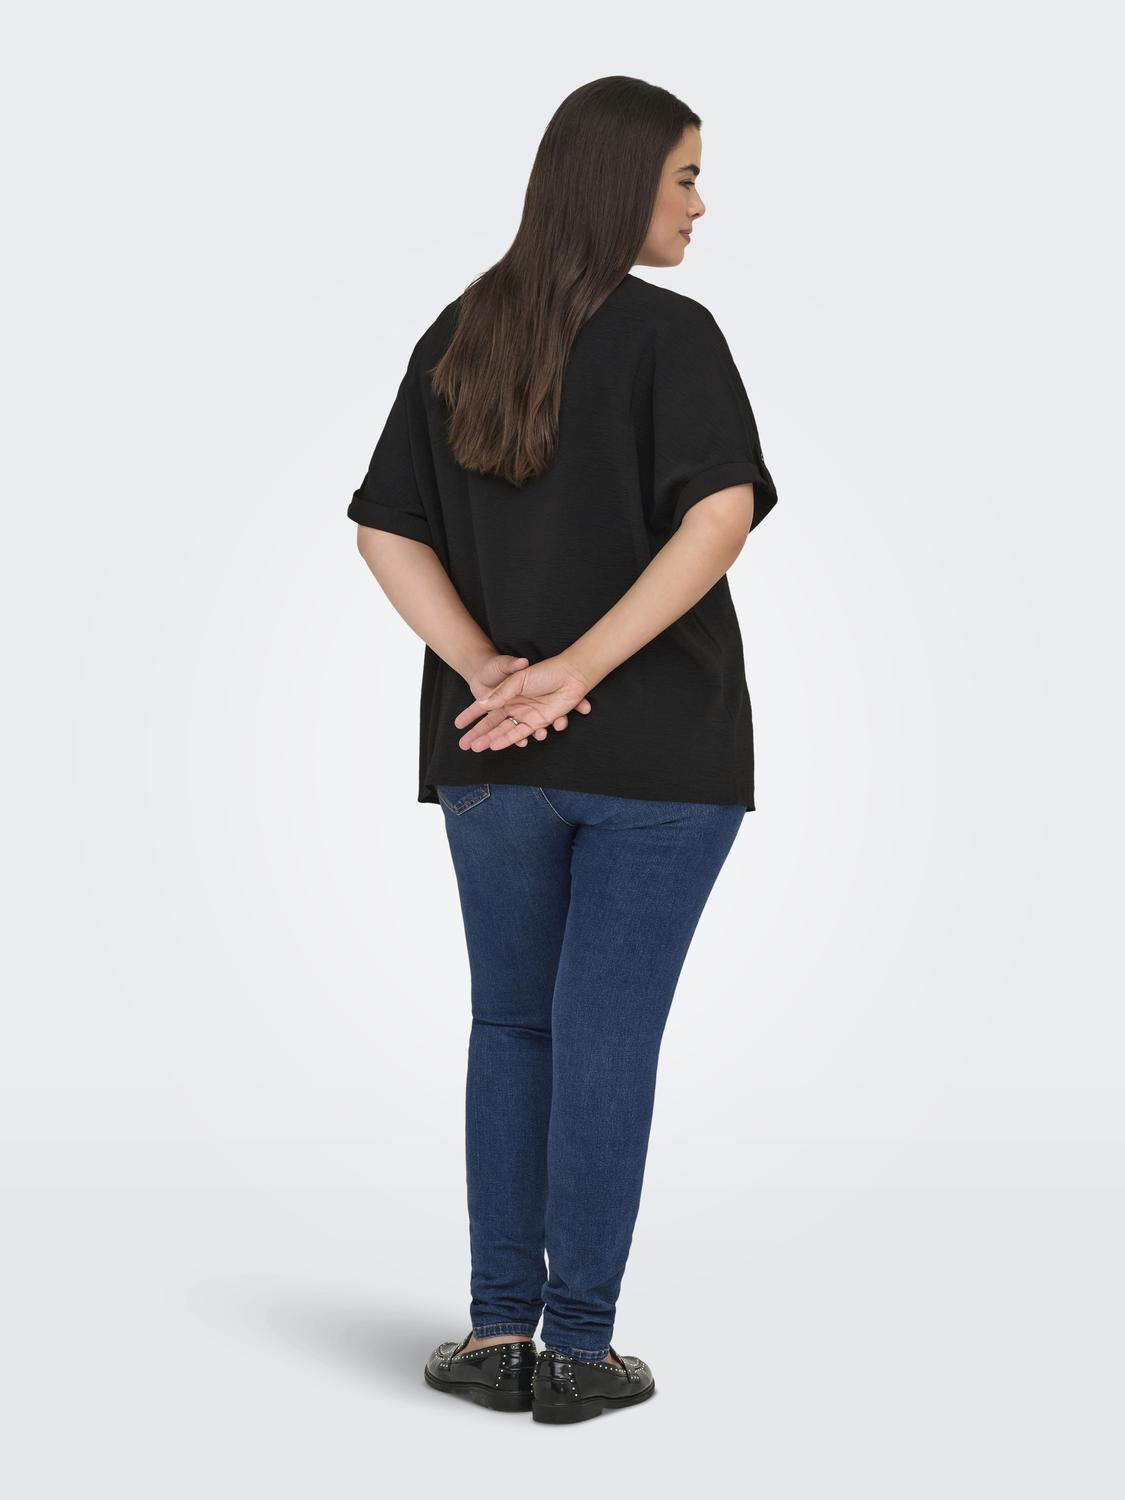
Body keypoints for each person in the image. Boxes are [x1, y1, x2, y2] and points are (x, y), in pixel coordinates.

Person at [347, 76, 779, 1423]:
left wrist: (489, 670)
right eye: (684, 177)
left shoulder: (461, 330)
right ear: (620, 180)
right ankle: (579, 1351)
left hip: (492, 755)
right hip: (658, 753)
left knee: (513, 1025)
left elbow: (384, 528)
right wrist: (577, 673)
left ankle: (495, 1337)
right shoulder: (669, 335)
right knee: (604, 1037)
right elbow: (717, 518)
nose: (700, 205)